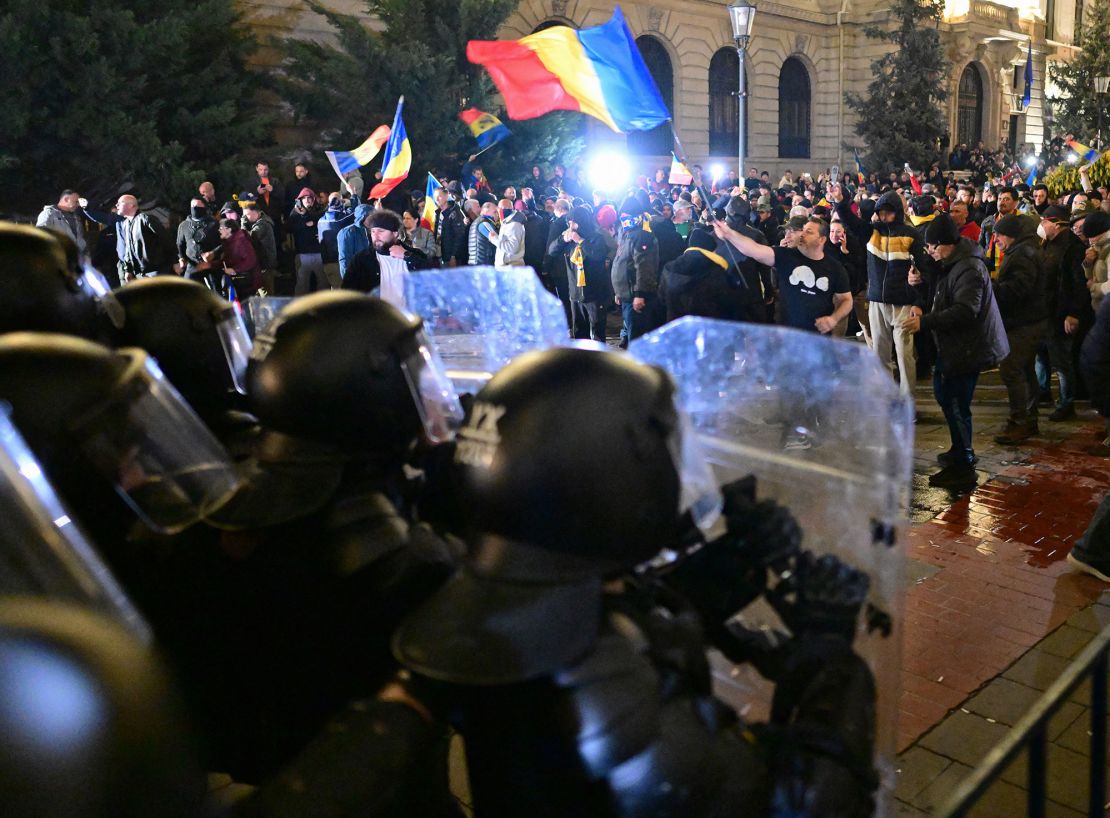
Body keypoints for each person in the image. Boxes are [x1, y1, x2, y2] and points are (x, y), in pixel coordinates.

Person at [393, 346, 879, 818]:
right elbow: (813, 798)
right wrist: (829, 652)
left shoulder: (506, 602)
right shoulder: (602, 691)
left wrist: (732, 562)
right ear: (608, 487)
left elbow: (638, 616)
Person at [901, 215, 1009, 487]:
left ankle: (965, 463)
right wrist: (921, 288)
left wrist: (924, 322)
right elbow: (943, 293)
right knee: (946, 396)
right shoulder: (952, 263)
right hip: (956, 346)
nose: (929, 252)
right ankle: (959, 450)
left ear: (945, 244)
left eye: (932, 247)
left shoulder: (969, 268)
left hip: (968, 347)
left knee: (956, 403)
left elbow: (965, 310)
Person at [832, 187, 927, 401]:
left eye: (888, 211)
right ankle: (886, 399)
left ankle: (907, 401)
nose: (884, 216)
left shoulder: (911, 235)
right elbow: (850, 222)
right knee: (880, 353)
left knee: (904, 356)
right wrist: (840, 202)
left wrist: (919, 301)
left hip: (903, 303)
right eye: (881, 212)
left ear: (897, 211)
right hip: (876, 301)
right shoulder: (872, 232)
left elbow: (923, 270)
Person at [714, 217, 852, 334]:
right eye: (802, 230)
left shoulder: (834, 268)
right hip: (787, 335)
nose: (803, 235)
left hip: (817, 339)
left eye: (809, 232)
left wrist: (834, 319)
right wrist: (729, 234)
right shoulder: (786, 255)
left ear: (822, 239)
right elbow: (754, 249)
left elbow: (846, 300)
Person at [991, 214, 1049, 444]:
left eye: (999, 235)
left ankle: (1020, 422)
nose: (995, 240)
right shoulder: (1023, 250)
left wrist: (992, 289)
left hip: (1025, 322)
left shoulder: (1023, 254)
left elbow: (1019, 289)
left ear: (1011, 235)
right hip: (1026, 320)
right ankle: (1029, 420)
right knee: (1024, 370)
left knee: (1010, 369)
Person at [1038, 205, 1093, 421]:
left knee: (1062, 361)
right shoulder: (1047, 245)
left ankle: (1066, 402)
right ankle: (1043, 392)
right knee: (1041, 356)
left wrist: (1073, 313)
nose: (1041, 226)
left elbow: (1078, 285)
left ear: (1057, 224)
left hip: (1061, 313)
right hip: (1045, 312)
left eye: (1044, 222)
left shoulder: (1072, 248)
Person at [342, 209, 431, 305]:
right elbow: (347, 292)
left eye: (381, 231)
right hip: (376, 317)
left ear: (395, 233)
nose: (375, 236)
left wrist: (407, 256)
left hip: (409, 316)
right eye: (373, 231)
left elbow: (433, 277)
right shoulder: (362, 259)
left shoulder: (413, 254)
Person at [557, 205, 614, 342]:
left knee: (597, 330)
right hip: (575, 293)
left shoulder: (596, 237)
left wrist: (581, 242)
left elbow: (598, 255)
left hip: (593, 292)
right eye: (569, 222)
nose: (571, 226)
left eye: (573, 222)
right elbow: (552, 250)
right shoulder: (568, 238)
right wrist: (562, 240)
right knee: (579, 331)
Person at [612, 196, 660, 347]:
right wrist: (619, 292)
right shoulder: (628, 234)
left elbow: (644, 267)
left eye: (626, 216)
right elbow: (622, 262)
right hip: (627, 295)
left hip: (636, 296)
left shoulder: (642, 235)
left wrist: (640, 295)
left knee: (637, 339)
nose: (623, 219)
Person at [115, 194, 169, 281]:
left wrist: (175, 261)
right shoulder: (125, 224)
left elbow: (165, 239)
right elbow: (128, 249)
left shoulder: (146, 219)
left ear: (131, 205)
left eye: (120, 203)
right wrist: (128, 270)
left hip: (156, 271)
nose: (116, 205)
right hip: (140, 274)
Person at [175, 198, 221, 290]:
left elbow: (223, 243)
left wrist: (213, 253)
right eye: (192, 206)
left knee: (216, 290)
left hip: (210, 264)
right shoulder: (184, 225)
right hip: (193, 264)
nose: (194, 208)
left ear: (204, 207)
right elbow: (180, 244)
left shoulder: (214, 223)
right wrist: (181, 258)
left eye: (197, 206)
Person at [288, 187, 325, 295]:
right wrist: (305, 218)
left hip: (318, 252)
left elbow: (322, 218)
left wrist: (311, 221)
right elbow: (293, 228)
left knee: (323, 283)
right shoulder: (294, 213)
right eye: (304, 198)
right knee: (302, 285)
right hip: (302, 253)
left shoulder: (318, 211)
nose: (307, 200)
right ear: (300, 200)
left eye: (310, 198)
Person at [36, 189, 91, 256]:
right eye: (76, 202)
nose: (78, 205)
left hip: (77, 258)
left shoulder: (76, 217)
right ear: (66, 199)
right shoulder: (48, 214)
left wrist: (86, 254)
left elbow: (80, 238)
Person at [317, 195, 354, 289]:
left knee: (335, 290)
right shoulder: (340, 219)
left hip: (326, 262)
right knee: (342, 294)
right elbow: (357, 213)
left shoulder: (321, 220)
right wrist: (353, 196)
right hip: (338, 262)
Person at [217, 217, 261, 296]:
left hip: (247, 282)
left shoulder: (241, 241)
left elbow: (251, 260)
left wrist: (234, 269)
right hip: (238, 281)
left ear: (229, 229)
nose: (219, 230)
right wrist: (212, 264)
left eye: (220, 228)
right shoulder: (228, 242)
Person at [242, 200, 278, 293]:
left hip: (265, 265)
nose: (246, 217)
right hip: (263, 264)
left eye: (248, 214)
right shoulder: (263, 221)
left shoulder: (263, 224)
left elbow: (247, 239)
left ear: (257, 212)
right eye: (244, 215)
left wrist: (243, 224)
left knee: (266, 293)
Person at [485, 199, 526, 267]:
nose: (501, 210)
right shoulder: (506, 222)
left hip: (510, 268)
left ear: (512, 208)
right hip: (505, 267)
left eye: (505, 208)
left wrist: (494, 239)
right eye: (500, 208)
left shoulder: (515, 224)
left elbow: (512, 248)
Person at [468, 201, 499, 266]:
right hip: (483, 264)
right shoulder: (484, 223)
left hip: (479, 262)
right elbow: (498, 242)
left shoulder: (479, 221)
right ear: (486, 210)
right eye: (495, 212)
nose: (497, 214)